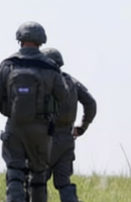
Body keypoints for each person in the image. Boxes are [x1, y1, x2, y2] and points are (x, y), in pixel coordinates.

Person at [0, 21, 69, 202]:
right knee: (39, 175)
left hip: (15, 127)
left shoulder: (7, 65)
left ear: (20, 39)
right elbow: (62, 95)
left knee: (15, 172)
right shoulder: (51, 67)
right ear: (42, 40)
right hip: (41, 129)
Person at [41, 47, 97, 202]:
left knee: (38, 182)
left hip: (44, 138)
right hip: (67, 139)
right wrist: (83, 126)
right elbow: (91, 103)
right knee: (64, 183)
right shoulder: (72, 82)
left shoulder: (41, 80)